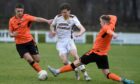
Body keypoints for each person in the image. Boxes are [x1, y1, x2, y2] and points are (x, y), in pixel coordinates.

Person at [48, 15, 134, 84]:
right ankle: (123, 80)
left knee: (76, 63)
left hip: (94, 53)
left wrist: (114, 34)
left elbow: (108, 30)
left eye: (100, 22)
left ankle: (57, 71)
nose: (100, 23)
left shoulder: (105, 27)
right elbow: (114, 17)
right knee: (107, 73)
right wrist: (105, 18)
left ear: (104, 22)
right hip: (103, 55)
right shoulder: (112, 23)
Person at [9, 3, 52, 79]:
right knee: (29, 59)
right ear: (15, 11)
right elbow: (10, 33)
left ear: (23, 11)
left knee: (37, 60)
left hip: (30, 42)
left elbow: (37, 19)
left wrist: (47, 21)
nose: (20, 13)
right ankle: (41, 72)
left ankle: (39, 69)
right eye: (18, 11)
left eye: (21, 11)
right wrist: (13, 35)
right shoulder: (11, 20)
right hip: (20, 44)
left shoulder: (26, 17)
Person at [49, 3, 91, 81]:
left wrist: (80, 33)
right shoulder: (57, 17)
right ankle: (75, 69)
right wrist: (53, 31)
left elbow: (83, 29)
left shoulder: (73, 18)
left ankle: (86, 75)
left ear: (69, 11)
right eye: (62, 12)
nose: (63, 14)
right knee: (65, 62)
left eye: (65, 12)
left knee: (75, 56)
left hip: (69, 40)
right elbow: (52, 25)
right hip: (60, 42)